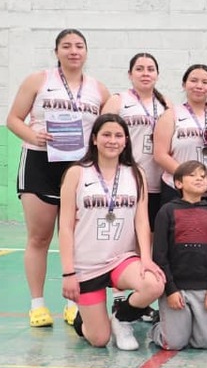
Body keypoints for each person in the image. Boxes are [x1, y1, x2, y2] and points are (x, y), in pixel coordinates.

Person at [7, 29, 110, 328]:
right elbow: (13, 119)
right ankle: (37, 304)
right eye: (66, 46)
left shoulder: (99, 90)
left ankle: (72, 303)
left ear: (86, 52)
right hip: (39, 163)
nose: (73, 51)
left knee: (76, 238)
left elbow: (107, 128)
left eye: (79, 46)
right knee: (39, 237)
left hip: (78, 168)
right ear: (57, 52)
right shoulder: (38, 80)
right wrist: (33, 135)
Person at [57, 114, 164, 350]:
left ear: (126, 140)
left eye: (118, 135)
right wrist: (68, 272)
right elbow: (65, 226)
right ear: (94, 139)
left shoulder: (136, 174)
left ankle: (121, 317)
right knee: (99, 340)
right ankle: (83, 320)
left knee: (154, 284)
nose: (112, 140)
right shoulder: (76, 173)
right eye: (106, 135)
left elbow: (142, 222)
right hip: (87, 263)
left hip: (121, 259)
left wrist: (146, 258)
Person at [150, 161, 207, 351]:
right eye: (193, 175)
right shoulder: (167, 211)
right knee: (174, 344)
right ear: (178, 183)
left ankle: (205, 324)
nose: (199, 179)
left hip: (204, 290)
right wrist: (170, 289)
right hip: (176, 290)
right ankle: (159, 326)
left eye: (203, 176)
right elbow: (159, 254)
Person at [152, 64, 207, 215]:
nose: (199, 86)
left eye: (205, 82)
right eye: (194, 80)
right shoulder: (171, 115)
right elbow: (160, 155)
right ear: (184, 84)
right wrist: (189, 178)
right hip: (177, 189)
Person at [103, 53, 168, 231]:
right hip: (126, 177)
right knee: (127, 232)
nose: (145, 73)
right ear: (130, 74)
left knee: (151, 234)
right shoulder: (118, 100)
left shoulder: (166, 104)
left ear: (157, 75)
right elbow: (102, 138)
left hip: (157, 180)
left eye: (150, 69)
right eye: (139, 69)